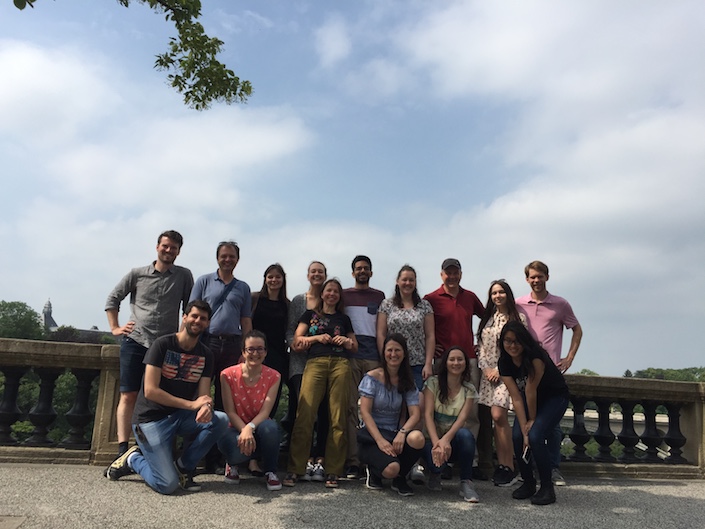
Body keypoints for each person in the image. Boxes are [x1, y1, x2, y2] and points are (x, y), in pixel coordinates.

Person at [105, 300, 228, 494]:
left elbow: (204, 396)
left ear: (208, 324)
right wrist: (191, 405)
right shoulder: (163, 345)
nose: (198, 321)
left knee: (220, 420)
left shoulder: (206, 354)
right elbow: (150, 391)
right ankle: (133, 459)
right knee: (167, 485)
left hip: (179, 416)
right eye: (194, 316)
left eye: (203, 318)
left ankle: (182, 467)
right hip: (150, 419)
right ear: (185, 317)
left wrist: (206, 406)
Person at [105, 229, 194, 461]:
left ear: (178, 251)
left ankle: (158, 447)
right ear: (157, 247)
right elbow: (113, 299)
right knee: (129, 395)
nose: (168, 251)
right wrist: (115, 328)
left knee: (165, 397)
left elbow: (190, 310)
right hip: (136, 340)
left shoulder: (184, 276)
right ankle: (123, 449)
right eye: (165, 246)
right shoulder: (137, 274)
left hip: (166, 346)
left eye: (173, 248)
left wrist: (181, 338)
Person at [284, 278, 358, 488]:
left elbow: (354, 346)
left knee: (337, 416)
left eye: (336, 291)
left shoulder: (344, 318)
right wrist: (317, 339)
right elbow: (297, 341)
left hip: (340, 364)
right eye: (329, 290)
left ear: (339, 296)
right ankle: (295, 468)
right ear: (322, 294)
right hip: (315, 363)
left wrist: (346, 341)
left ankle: (333, 470)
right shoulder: (310, 315)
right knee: (305, 414)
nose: (332, 294)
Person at [516, 260, 582, 486]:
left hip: (551, 371)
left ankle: (553, 468)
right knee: (526, 422)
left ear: (547, 277)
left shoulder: (560, 304)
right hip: (526, 370)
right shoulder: (519, 304)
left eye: (540, 276)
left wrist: (570, 357)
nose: (536, 280)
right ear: (527, 279)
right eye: (532, 277)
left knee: (551, 426)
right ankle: (527, 468)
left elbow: (577, 329)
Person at [189, 240, 252, 472]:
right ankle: (195, 455)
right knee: (200, 397)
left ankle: (219, 457)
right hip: (207, 342)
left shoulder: (242, 287)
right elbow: (191, 312)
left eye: (232, 256)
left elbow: (246, 320)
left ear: (237, 259)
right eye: (224, 256)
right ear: (217, 258)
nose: (228, 259)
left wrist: (246, 350)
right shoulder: (204, 281)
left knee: (227, 402)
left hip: (233, 345)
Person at [423, 258, 486, 479]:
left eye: (455, 272)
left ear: (460, 274)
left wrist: (483, 343)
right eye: (447, 273)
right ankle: (443, 457)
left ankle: (471, 460)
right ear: (442, 275)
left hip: (468, 358)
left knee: (471, 412)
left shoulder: (470, 297)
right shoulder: (431, 299)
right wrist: (429, 348)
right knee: (442, 408)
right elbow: (421, 326)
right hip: (442, 360)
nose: (451, 276)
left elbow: (486, 317)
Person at [498, 321, 569, 505]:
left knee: (536, 435)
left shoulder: (536, 357)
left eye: (516, 341)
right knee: (517, 437)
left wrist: (531, 421)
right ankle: (528, 483)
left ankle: (547, 488)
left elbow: (531, 390)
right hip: (528, 399)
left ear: (524, 341)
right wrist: (523, 427)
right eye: (507, 341)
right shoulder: (504, 362)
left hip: (554, 397)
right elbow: (517, 396)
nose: (512, 346)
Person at [377, 264, 435, 483]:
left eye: (411, 279)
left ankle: (414, 461)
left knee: (416, 408)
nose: (408, 283)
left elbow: (430, 336)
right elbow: (381, 334)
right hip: (392, 363)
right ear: (397, 282)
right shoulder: (387, 305)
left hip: (418, 364)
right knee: (392, 407)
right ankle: (389, 455)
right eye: (404, 279)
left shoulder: (425, 306)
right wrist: (384, 361)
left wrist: (429, 363)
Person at [357, 333, 425, 497]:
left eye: (397, 350)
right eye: (389, 350)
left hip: (394, 434)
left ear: (404, 353)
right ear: (384, 352)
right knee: (391, 469)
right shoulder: (372, 378)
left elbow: (415, 414)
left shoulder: (406, 380)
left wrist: (402, 433)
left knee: (417, 438)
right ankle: (374, 471)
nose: (393, 354)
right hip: (372, 436)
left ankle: (401, 478)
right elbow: (365, 412)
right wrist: (380, 441)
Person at [218, 330, 283, 492]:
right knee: (234, 449)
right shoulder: (227, 375)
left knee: (271, 428)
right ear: (243, 352)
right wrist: (243, 430)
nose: (255, 353)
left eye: (260, 349)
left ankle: (270, 471)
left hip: (259, 425)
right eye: (251, 349)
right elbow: (230, 411)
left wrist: (249, 428)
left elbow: (266, 411)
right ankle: (232, 464)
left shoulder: (274, 376)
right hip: (234, 427)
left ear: (266, 352)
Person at [476, 279, 526, 487]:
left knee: (498, 415)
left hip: (507, 375)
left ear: (508, 294)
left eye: (501, 292)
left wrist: (498, 369)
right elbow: (481, 347)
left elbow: (519, 347)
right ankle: (503, 465)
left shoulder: (518, 318)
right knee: (497, 421)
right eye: (494, 293)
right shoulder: (488, 319)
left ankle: (510, 465)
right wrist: (486, 368)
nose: (498, 296)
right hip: (488, 376)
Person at [282, 261, 328, 480]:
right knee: (303, 412)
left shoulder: (330, 298)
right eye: (313, 271)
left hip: (324, 362)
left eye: (320, 271)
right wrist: (294, 343)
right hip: (300, 363)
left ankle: (318, 459)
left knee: (322, 412)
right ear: (308, 275)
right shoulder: (299, 301)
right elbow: (291, 330)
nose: (317, 274)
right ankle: (301, 459)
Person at [342, 255, 385, 480]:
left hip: (374, 358)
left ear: (371, 272)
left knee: (373, 410)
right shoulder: (344, 295)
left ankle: (374, 459)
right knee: (350, 409)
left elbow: (382, 328)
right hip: (350, 357)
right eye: (358, 268)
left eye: (366, 268)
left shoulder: (379, 297)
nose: (362, 271)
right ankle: (353, 461)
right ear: (353, 273)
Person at [422, 346, 480, 502]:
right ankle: (435, 473)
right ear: (445, 363)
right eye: (452, 359)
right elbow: (427, 415)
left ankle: (466, 482)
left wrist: (445, 441)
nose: (456, 363)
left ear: (466, 364)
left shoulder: (469, 389)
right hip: (431, 441)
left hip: (451, 441)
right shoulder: (432, 383)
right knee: (436, 465)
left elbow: (462, 419)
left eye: (460, 359)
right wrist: (437, 444)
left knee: (466, 435)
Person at [251, 263, 290, 418]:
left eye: (278, 277)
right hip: (254, 352)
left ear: (283, 280)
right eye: (270, 276)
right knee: (252, 392)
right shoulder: (254, 298)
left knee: (272, 394)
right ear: (265, 279)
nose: (274, 280)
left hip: (277, 353)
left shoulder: (287, 304)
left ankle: (266, 426)